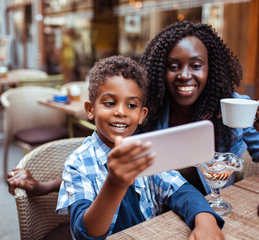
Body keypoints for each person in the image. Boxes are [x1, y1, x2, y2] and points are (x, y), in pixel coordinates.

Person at [55, 55, 224, 239]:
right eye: (110, 103)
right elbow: (84, 233)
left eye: (131, 105)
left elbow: (181, 191)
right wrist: (115, 184)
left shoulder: (148, 152)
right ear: (90, 109)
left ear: (142, 115)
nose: (121, 112)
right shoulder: (78, 163)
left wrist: (205, 220)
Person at [137, 21, 259, 195]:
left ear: (210, 68)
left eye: (196, 65)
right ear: (161, 70)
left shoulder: (233, 107)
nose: (184, 75)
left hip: (215, 210)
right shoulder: (149, 108)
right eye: (174, 67)